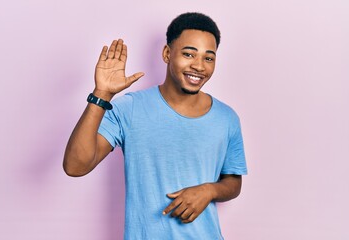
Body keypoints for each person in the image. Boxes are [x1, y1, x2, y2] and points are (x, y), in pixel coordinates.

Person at [63, 12, 247, 240]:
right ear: (167, 53)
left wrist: (209, 190)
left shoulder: (226, 118)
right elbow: (75, 166)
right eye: (189, 54)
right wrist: (102, 94)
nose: (199, 66)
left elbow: (233, 181)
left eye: (208, 58)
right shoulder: (129, 108)